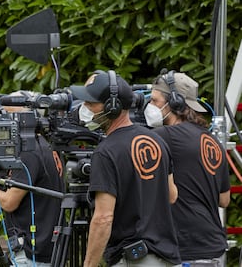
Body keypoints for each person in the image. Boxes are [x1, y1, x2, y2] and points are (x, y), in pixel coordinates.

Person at [70, 70, 181, 267]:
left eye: (90, 103)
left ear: (112, 107)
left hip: (134, 260)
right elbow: (172, 195)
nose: (84, 108)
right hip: (167, 259)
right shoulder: (157, 140)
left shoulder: (106, 152)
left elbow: (103, 218)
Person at [144, 69, 231, 266]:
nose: (150, 106)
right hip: (213, 248)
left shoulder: (164, 136)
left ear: (175, 102)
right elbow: (224, 199)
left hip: (185, 249)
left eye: (155, 101)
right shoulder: (213, 141)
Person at [0, 91, 65, 266]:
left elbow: (8, 202)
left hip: (32, 254)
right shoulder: (45, 144)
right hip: (47, 247)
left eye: (8, 114)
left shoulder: (28, 153)